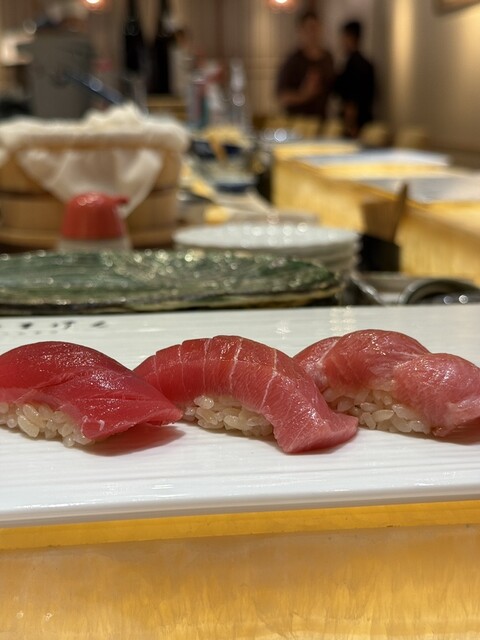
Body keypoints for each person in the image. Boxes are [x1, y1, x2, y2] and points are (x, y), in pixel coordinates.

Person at [276, 11, 334, 122]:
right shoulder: (293, 61)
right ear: (301, 31)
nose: (312, 34)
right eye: (309, 29)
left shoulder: (327, 58)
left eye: (315, 28)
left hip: (321, 120)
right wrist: (304, 94)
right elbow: (282, 97)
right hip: (298, 121)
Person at [334, 20, 375, 138]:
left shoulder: (352, 64)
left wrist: (350, 124)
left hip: (355, 124)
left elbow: (351, 101)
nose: (341, 41)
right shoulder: (367, 63)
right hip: (366, 120)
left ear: (350, 37)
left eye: (343, 37)